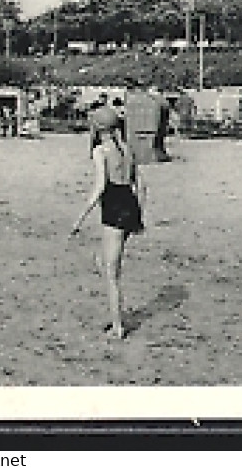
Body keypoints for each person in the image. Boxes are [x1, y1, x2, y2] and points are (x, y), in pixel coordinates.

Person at [69, 104, 146, 340]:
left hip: (113, 208)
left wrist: (79, 218)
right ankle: (117, 318)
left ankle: (117, 326)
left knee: (111, 274)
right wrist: (138, 215)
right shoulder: (126, 149)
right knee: (106, 262)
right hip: (130, 205)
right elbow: (141, 186)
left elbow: (100, 188)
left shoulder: (101, 152)